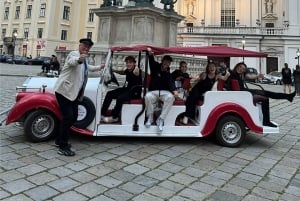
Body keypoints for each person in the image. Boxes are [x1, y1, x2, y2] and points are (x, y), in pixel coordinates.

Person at [53, 38, 102, 156]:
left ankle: (59, 139)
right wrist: (79, 59)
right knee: (68, 117)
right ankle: (63, 146)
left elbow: (87, 67)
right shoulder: (74, 54)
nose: (85, 48)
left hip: (73, 94)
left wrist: (99, 67)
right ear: (79, 45)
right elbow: (72, 61)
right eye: (84, 46)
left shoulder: (84, 59)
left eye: (88, 47)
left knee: (74, 116)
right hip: (64, 91)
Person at [227, 62, 296, 127]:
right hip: (244, 95)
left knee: (266, 93)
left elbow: (250, 76)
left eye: (243, 69)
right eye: (240, 67)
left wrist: (257, 76)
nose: (241, 69)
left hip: (245, 92)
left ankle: (288, 96)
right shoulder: (232, 73)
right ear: (237, 66)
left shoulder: (240, 75)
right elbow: (226, 74)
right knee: (265, 98)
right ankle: (266, 121)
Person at [145, 48, 179, 132]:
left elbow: (171, 83)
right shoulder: (155, 67)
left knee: (171, 97)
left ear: (169, 64)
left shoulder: (168, 73)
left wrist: (174, 90)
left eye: (168, 62)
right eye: (165, 61)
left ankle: (161, 119)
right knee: (147, 96)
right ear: (162, 61)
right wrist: (150, 53)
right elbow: (151, 60)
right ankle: (150, 117)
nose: (166, 63)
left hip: (164, 93)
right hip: (154, 91)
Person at [101, 56, 142, 123]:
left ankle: (115, 117)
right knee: (109, 94)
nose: (128, 64)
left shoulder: (136, 70)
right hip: (127, 90)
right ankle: (102, 113)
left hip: (135, 92)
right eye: (127, 62)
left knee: (120, 98)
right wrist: (113, 70)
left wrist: (136, 67)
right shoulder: (128, 70)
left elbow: (137, 72)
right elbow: (122, 72)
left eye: (130, 62)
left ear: (134, 63)